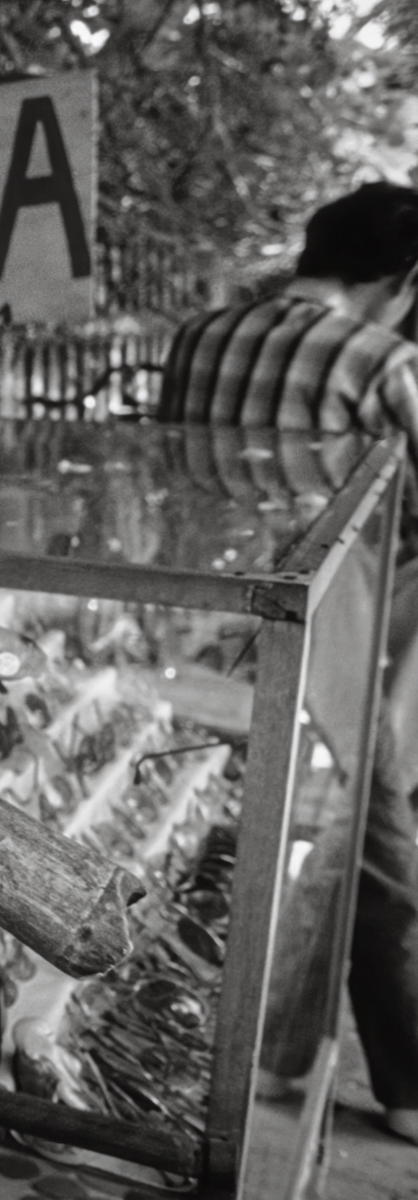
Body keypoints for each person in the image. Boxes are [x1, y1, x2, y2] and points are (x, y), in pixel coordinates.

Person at [160, 179, 418, 1143]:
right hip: (329, 641)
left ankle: (198, 1028)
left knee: (215, 835)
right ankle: (405, 1082)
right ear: (405, 277)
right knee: (377, 839)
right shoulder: (385, 362)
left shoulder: (199, 336)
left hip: (203, 632)